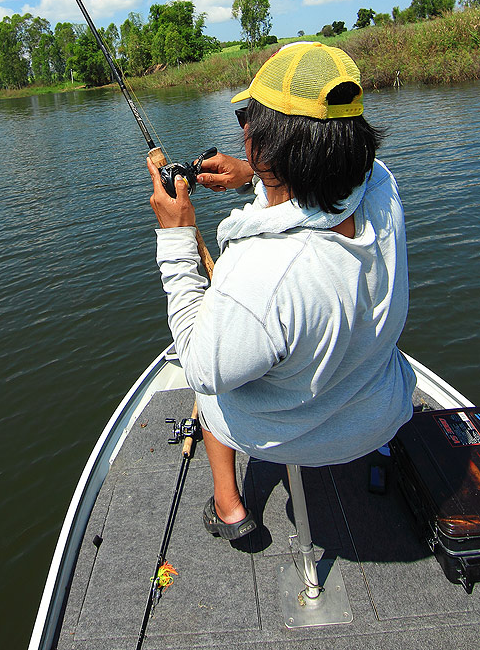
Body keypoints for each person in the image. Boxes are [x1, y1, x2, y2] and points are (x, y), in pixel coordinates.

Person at [147, 41, 416, 541]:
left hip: (298, 439)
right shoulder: (382, 185)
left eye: (247, 117)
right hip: (380, 410)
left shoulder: (262, 275)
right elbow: (327, 188)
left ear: (262, 138)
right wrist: (257, 175)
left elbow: (201, 364)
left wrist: (177, 236)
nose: (243, 126)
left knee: (212, 392)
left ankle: (229, 508)